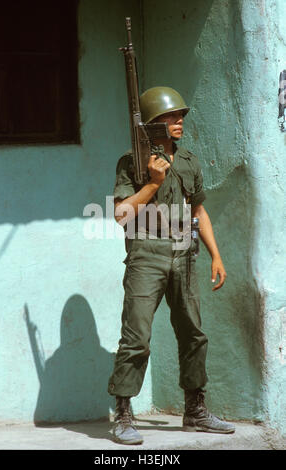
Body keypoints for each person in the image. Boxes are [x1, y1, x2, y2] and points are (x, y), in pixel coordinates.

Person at [108, 87, 235, 445]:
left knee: (194, 333)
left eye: (181, 116)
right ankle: (123, 414)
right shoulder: (132, 162)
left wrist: (216, 254)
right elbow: (121, 215)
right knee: (137, 337)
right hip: (146, 254)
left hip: (184, 253)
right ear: (151, 125)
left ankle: (195, 410)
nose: (179, 122)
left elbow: (199, 211)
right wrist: (152, 182)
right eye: (170, 117)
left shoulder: (190, 161)